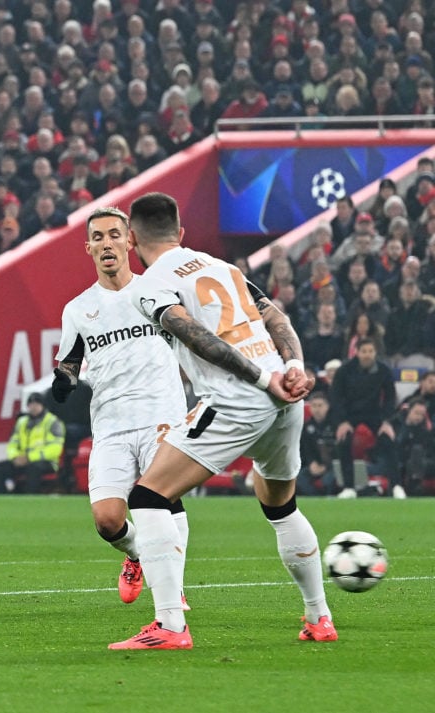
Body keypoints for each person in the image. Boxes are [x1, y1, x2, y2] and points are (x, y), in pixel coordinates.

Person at [111, 192, 333, 650]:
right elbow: (277, 317)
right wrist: (293, 367)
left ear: (131, 239)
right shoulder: (221, 266)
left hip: (239, 397)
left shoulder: (151, 283)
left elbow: (192, 334)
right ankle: (319, 618)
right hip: (284, 396)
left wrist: (260, 378)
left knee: (148, 497)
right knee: (279, 504)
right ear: (182, 233)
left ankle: (170, 626)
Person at [52, 206, 190, 606]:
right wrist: (64, 381)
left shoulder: (157, 292)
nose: (106, 243)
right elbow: (71, 364)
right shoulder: (78, 309)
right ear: (88, 248)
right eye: (98, 237)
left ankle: (171, 591)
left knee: (164, 500)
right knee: (108, 520)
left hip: (161, 415)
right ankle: (138, 556)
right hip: (111, 423)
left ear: (129, 241)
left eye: (114, 234)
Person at [327, 338, 399, 499]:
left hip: (375, 414)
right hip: (350, 414)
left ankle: (396, 485)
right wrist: (342, 422)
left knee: (388, 440)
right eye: (364, 351)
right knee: (343, 441)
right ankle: (349, 487)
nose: (367, 355)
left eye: (370, 351)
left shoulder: (384, 370)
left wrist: (387, 421)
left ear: (375, 353)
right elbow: (336, 398)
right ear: (357, 352)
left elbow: (390, 398)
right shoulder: (344, 371)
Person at [0, 392, 65, 494]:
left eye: (37, 404)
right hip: (22, 460)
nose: (33, 407)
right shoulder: (22, 422)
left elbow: (55, 449)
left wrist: (29, 457)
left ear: (43, 405)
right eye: (31, 404)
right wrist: (15, 457)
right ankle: (2, 498)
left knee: (33, 468)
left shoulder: (53, 422)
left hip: (47, 462)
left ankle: (29, 498)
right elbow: (13, 444)